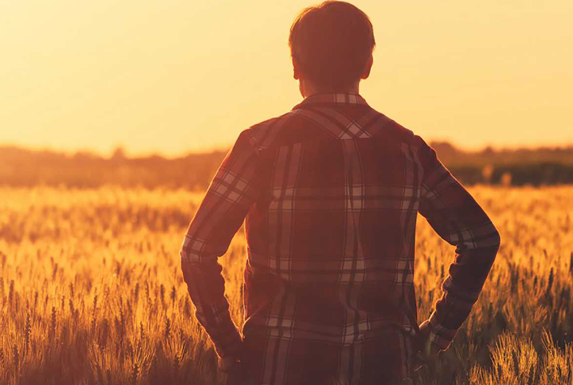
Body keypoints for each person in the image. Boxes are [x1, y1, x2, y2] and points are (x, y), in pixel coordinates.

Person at [179, 2, 501, 384]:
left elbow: (197, 251)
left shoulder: (261, 146)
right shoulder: (408, 150)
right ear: (367, 67)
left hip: (278, 365)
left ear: (295, 66)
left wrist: (231, 347)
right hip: (383, 367)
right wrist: (434, 337)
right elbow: (480, 239)